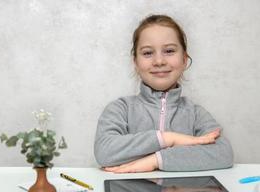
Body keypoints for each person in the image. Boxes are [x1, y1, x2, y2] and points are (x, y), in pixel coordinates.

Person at [94, 14, 233, 173]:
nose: (159, 61)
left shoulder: (195, 114)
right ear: (136, 63)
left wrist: (156, 160)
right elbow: (104, 151)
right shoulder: (120, 109)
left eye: (169, 50)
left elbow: (224, 153)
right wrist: (168, 139)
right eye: (147, 53)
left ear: (184, 60)